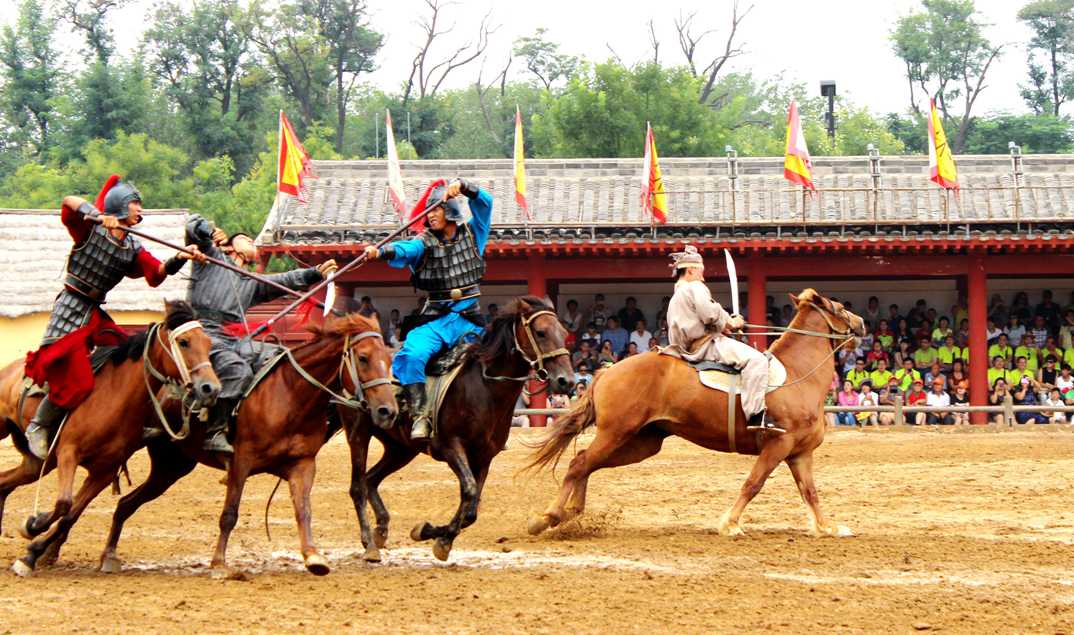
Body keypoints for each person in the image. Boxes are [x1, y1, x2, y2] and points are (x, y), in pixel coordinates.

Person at [23, 175, 205, 459]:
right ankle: (39, 424)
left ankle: (129, 419)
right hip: (70, 307)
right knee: (75, 378)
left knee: (123, 358)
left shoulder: (132, 246)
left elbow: (156, 274)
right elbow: (68, 202)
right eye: (135, 203)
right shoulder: (89, 230)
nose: (139, 209)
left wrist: (182, 257)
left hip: (94, 311)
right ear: (120, 205)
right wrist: (96, 216)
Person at [184, 216, 337, 453]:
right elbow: (193, 228)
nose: (252, 241)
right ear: (230, 245)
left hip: (233, 340)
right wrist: (208, 230)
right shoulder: (211, 257)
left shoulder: (252, 281)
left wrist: (315, 272)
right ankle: (215, 431)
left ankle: (272, 423)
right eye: (246, 238)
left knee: (283, 358)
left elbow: (284, 279)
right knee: (237, 370)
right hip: (203, 332)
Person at [363, 178, 492, 440]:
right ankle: (420, 416)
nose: (430, 216)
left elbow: (486, 203)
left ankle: (492, 422)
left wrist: (466, 187)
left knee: (497, 360)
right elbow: (405, 249)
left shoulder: (474, 233)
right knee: (412, 355)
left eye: (436, 210)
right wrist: (382, 252)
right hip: (436, 320)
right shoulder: (423, 242)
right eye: (428, 212)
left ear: (451, 211)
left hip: (470, 319)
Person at [662, 245, 776, 431]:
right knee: (757, 360)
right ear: (690, 270)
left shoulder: (677, 295)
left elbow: (701, 319)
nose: (703, 277)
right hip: (706, 346)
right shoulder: (695, 287)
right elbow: (709, 314)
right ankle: (755, 415)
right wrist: (731, 322)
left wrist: (721, 326)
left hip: (688, 347)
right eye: (701, 272)